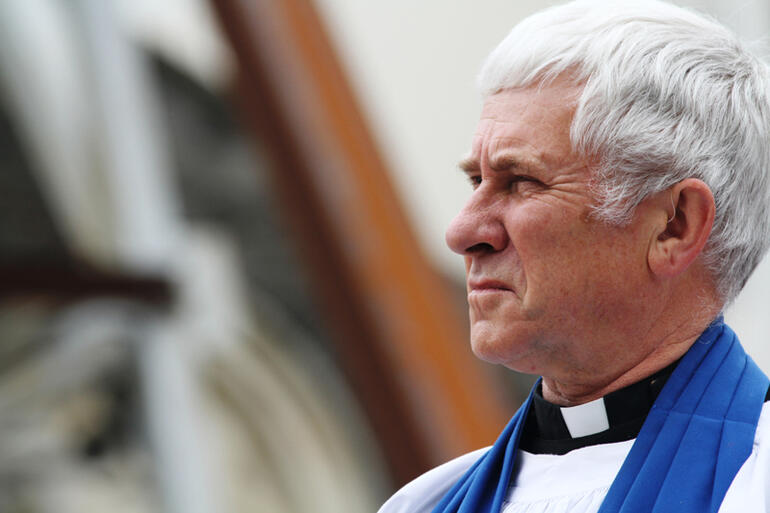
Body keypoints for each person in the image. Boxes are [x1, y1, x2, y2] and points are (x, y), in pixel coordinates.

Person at [379, 1, 770, 512]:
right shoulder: (426, 502)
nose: (462, 232)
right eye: (477, 180)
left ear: (674, 226)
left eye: (521, 182)